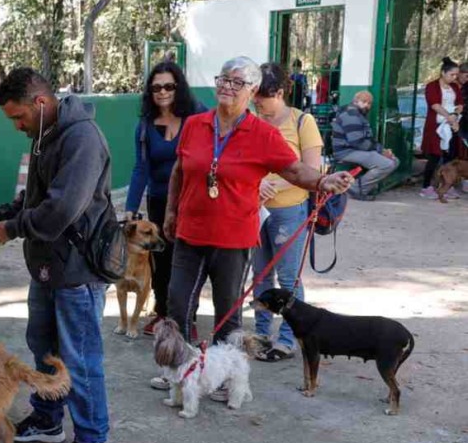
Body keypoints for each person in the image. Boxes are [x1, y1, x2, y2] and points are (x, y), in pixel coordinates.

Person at [158, 56, 352, 390]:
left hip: (234, 238)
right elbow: (179, 170)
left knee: (227, 312)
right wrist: (171, 212)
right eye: (223, 79)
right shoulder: (195, 124)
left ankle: (224, 379)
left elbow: (293, 169)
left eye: (237, 82)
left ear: (253, 90)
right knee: (177, 304)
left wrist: (323, 181)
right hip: (190, 232)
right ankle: (177, 372)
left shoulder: (261, 133)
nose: (227, 87)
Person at [0, 67, 114, 443]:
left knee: (80, 357)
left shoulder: (81, 139)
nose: (17, 127)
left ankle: (92, 440)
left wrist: (11, 229)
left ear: (41, 103)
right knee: (43, 344)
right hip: (48, 265)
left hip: (78, 270)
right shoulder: (46, 135)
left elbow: (61, 210)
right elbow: (31, 198)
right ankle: (48, 417)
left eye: (19, 117)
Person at [124, 61, 206, 337]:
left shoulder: (198, 116)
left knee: (188, 259)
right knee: (159, 258)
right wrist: (131, 208)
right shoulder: (146, 126)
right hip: (159, 199)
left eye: (168, 86)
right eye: (156, 87)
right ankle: (161, 313)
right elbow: (140, 168)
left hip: (192, 201)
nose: (162, 92)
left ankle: (187, 318)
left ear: (178, 87)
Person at [251, 63, 324, 362]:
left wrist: (273, 184)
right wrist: (256, 185)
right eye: (254, 96)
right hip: (255, 210)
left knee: (289, 278)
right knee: (259, 276)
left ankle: (287, 338)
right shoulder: (251, 120)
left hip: (289, 211)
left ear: (279, 93)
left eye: (262, 97)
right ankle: (259, 334)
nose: (256, 102)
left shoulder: (301, 121)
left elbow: (313, 170)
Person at [332, 91, 399, 200]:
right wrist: (381, 151)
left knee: (394, 160)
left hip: (355, 149)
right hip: (346, 151)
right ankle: (355, 188)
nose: (367, 105)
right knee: (387, 164)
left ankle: (364, 186)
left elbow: (365, 140)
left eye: (369, 103)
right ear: (355, 101)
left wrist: (382, 150)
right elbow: (357, 142)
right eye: (364, 102)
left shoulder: (358, 114)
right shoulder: (351, 114)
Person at [419, 57, 463, 199]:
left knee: (449, 157)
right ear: (443, 73)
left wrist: (455, 115)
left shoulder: (455, 87)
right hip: (436, 126)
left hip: (451, 125)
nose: (455, 77)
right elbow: (435, 104)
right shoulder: (432, 86)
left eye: (456, 75)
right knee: (434, 156)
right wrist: (448, 115)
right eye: (452, 74)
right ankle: (426, 187)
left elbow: (460, 104)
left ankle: (446, 186)